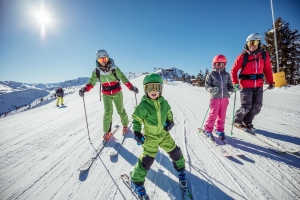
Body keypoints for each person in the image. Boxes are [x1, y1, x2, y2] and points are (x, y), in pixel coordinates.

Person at [130, 73, 186, 198]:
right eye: (150, 88)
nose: (154, 91)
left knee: (176, 152)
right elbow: (136, 119)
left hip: (163, 134)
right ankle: (136, 180)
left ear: (161, 89)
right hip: (150, 137)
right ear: (145, 90)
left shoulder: (164, 102)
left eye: (157, 87)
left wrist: (170, 122)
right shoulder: (143, 105)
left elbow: (169, 112)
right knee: (147, 160)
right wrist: (137, 132)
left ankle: (181, 169)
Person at [79, 49, 139, 141]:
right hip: (106, 94)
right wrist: (85, 89)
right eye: (100, 60)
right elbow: (92, 82)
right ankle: (107, 131)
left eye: (105, 59)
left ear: (108, 58)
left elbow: (123, 78)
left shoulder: (114, 68)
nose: (103, 62)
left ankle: (125, 125)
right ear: (97, 60)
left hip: (117, 92)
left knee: (120, 110)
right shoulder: (96, 71)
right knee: (107, 113)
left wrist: (131, 87)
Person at [231, 33, 275, 131]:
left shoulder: (264, 55)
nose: (252, 45)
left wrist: (271, 81)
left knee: (257, 107)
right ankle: (237, 121)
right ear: (247, 43)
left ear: (259, 43)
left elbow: (267, 69)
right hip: (245, 85)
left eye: (255, 42)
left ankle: (247, 121)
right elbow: (233, 70)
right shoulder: (243, 56)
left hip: (258, 85)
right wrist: (235, 83)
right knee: (246, 106)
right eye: (250, 42)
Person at [203, 55, 233, 140]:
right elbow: (207, 86)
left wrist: (233, 88)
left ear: (225, 65)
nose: (219, 65)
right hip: (215, 98)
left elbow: (230, 86)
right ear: (214, 64)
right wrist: (212, 89)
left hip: (225, 98)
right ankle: (208, 130)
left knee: (222, 115)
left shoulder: (227, 75)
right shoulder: (211, 74)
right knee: (213, 114)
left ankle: (220, 130)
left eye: (221, 64)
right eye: (217, 64)